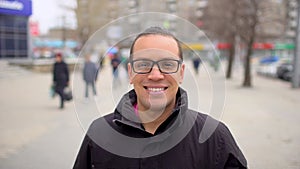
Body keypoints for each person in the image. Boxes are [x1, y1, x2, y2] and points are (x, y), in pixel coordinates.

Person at [73, 27, 247, 169]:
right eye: (143, 64)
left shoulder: (215, 138)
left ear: (181, 73)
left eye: (167, 65)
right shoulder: (98, 135)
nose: (155, 75)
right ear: (130, 72)